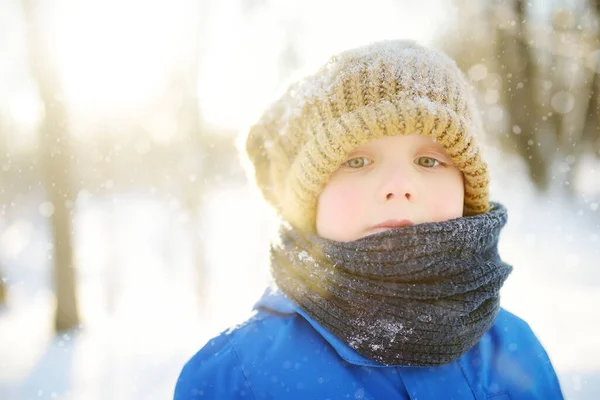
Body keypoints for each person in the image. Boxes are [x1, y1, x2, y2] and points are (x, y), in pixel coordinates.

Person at [174, 39, 564, 399]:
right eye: (357, 161)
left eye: (429, 160)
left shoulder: (517, 349)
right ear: (308, 199)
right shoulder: (235, 376)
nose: (398, 187)